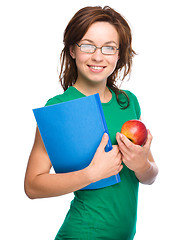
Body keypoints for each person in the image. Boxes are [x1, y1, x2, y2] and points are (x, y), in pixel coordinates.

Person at [24, 6, 158, 240]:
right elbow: (33, 186)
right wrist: (92, 174)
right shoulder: (58, 108)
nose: (98, 56)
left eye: (109, 47)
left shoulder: (129, 103)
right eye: (88, 45)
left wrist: (141, 165)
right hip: (82, 233)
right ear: (73, 50)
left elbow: (151, 175)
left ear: (119, 54)